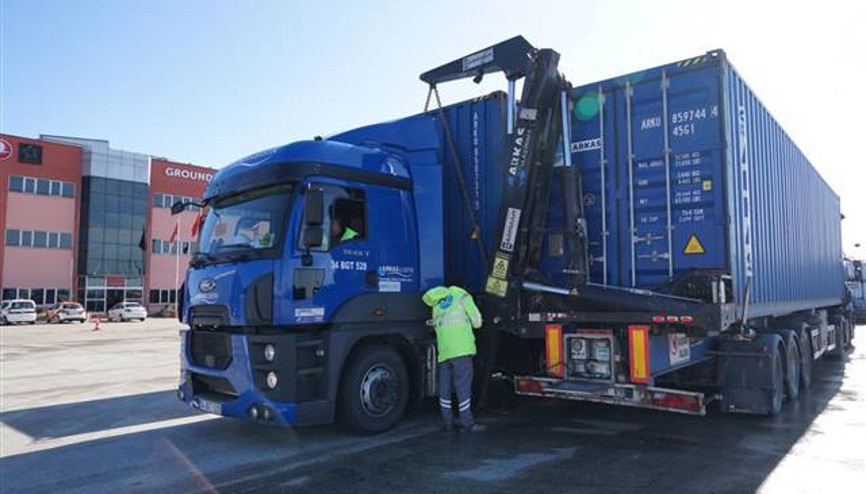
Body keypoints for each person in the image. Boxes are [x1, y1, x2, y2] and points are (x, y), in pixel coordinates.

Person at [422, 285, 486, 433]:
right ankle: (467, 424)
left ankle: (447, 423)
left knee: (444, 388)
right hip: (462, 350)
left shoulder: (437, 303)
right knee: (462, 388)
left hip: (444, 352)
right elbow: (477, 322)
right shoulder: (463, 296)